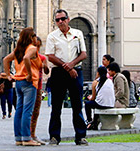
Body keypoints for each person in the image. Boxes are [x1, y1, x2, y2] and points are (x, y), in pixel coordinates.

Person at [45, 9, 88, 146]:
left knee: (77, 105)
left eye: (63, 18)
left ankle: (80, 136)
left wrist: (72, 65)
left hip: (76, 70)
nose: (60, 22)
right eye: (57, 20)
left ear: (68, 19)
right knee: (56, 106)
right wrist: (67, 67)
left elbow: (83, 54)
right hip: (59, 72)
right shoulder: (52, 36)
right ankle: (54, 136)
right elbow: (50, 56)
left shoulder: (78, 33)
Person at [3, 27, 41, 146]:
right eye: (34, 35)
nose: (36, 38)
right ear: (30, 37)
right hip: (29, 82)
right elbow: (26, 58)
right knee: (27, 111)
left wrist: (9, 75)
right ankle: (27, 138)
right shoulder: (32, 49)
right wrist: (29, 74)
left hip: (18, 82)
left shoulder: (19, 49)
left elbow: (5, 60)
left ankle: (18, 138)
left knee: (19, 110)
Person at [29, 36, 49, 145]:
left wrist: (45, 65)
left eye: (37, 46)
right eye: (34, 45)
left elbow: (46, 71)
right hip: (28, 86)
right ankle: (26, 135)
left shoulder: (42, 58)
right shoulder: (26, 57)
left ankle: (32, 134)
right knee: (27, 111)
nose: (35, 48)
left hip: (38, 86)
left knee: (36, 111)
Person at [83, 66, 114, 130]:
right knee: (97, 103)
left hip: (101, 104)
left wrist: (90, 97)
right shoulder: (110, 81)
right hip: (111, 104)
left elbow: (93, 98)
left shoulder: (96, 82)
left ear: (98, 73)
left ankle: (89, 121)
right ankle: (94, 124)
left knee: (88, 104)